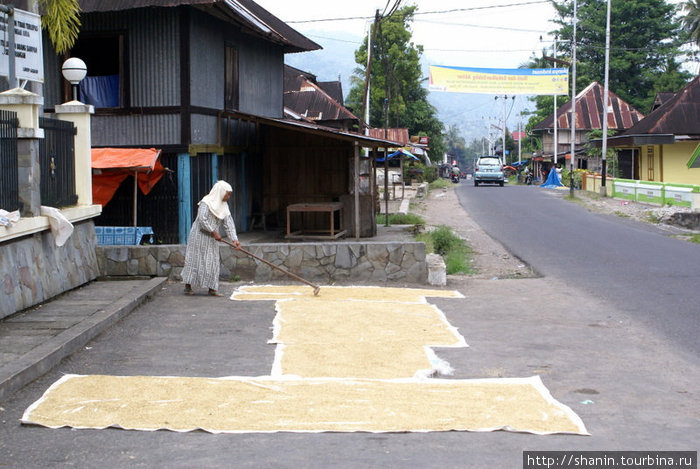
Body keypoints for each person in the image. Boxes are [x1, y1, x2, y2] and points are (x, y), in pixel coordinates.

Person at [182, 180, 241, 296]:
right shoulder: (206, 202)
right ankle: (188, 287)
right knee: (194, 260)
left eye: (229, 194)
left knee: (212, 261)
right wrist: (213, 231)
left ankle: (212, 288)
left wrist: (234, 240)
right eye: (227, 194)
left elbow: (228, 223)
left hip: (212, 238)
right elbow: (202, 220)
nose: (228, 197)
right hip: (199, 236)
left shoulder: (224, 206)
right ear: (220, 192)